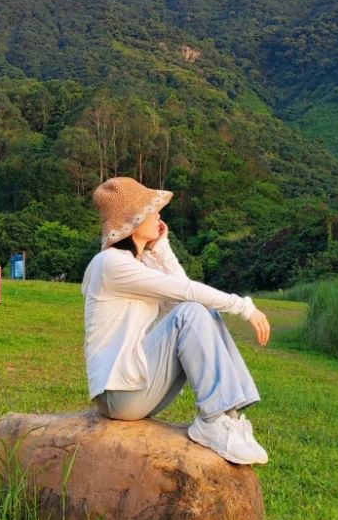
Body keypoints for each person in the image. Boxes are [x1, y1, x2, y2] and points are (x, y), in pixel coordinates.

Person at [80, 175, 271, 465]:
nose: (158, 216)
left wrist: (162, 248)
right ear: (134, 220)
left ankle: (228, 416)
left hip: (136, 389)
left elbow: (187, 295)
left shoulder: (136, 263)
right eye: (152, 210)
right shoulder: (110, 264)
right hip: (117, 394)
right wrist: (244, 307)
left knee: (203, 311)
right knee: (193, 311)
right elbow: (186, 293)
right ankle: (213, 419)